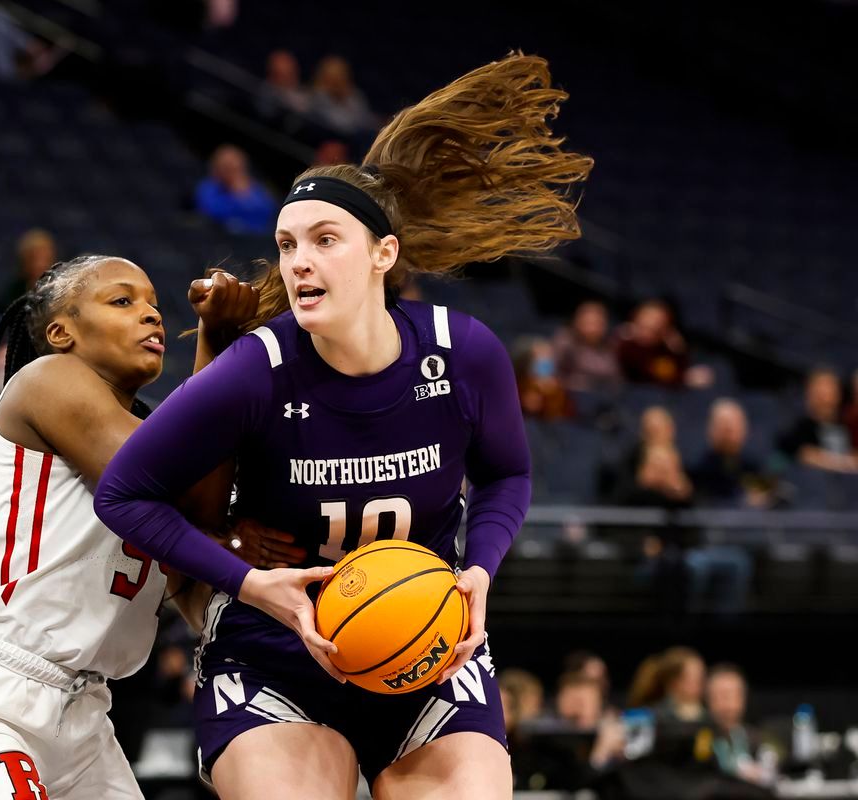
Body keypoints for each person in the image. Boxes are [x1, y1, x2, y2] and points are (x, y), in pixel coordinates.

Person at [95, 53, 592, 799]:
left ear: (383, 255)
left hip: (429, 645)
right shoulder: (255, 369)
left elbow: (508, 474)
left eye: (325, 239)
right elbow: (123, 494)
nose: (298, 262)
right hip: (276, 653)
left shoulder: (463, 354)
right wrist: (253, 583)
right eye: (289, 244)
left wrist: (481, 568)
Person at [0, 257, 295, 798]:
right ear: (62, 332)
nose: (150, 315)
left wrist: (239, 563)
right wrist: (217, 342)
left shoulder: (152, 430)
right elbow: (176, 482)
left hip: (86, 722)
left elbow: (197, 549)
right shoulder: (45, 380)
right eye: (122, 301)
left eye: (153, 302)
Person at [690, 399, 772, 508]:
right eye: (723, 426)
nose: (728, 433)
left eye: (733, 426)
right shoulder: (697, 470)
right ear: (711, 429)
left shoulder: (755, 467)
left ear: (744, 428)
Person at [776, 367, 858, 473]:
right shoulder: (798, 428)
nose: (826, 396)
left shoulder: (846, 427)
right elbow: (805, 456)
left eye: (830, 389)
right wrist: (846, 462)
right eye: (820, 389)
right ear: (809, 393)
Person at [194, 145, 276, 235]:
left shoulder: (253, 187)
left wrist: (245, 195)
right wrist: (236, 197)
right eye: (228, 169)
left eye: (238, 169)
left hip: (255, 237)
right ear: (218, 169)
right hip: (220, 237)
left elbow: (267, 210)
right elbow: (210, 212)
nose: (234, 174)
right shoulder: (208, 187)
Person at [552, 300, 621, 392]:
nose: (592, 328)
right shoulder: (565, 341)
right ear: (577, 321)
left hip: (602, 396)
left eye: (597, 323)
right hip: (570, 394)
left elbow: (615, 379)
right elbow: (550, 371)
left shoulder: (610, 345)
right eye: (588, 322)